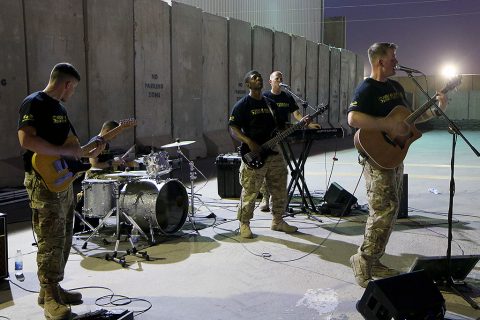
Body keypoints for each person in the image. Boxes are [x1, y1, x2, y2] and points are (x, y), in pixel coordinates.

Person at [347, 43, 448, 287]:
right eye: (393, 57)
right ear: (380, 61)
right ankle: (362, 260)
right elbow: (353, 118)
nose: (397, 61)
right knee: (381, 212)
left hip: (394, 154)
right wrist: (386, 125)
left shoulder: (395, 86)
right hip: (376, 156)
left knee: (390, 212)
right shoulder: (367, 88)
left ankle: (375, 260)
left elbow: (410, 119)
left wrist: (436, 110)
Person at [17, 62, 106, 319]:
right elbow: (26, 140)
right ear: (67, 84)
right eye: (73, 88)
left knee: (65, 237)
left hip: (62, 181)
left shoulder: (60, 109)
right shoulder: (34, 103)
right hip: (42, 183)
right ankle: (50, 300)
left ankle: (51, 289)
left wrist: (91, 150)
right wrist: (68, 151)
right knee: (50, 241)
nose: (72, 93)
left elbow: (73, 147)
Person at [229, 70, 312, 238]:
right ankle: (244, 223)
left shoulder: (270, 103)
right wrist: (248, 142)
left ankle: (278, 221)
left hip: (273, 151)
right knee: (250, 191)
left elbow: (281, 126)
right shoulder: (243, 105)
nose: (258, 78)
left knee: (280, 187)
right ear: (248, 84)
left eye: (259, 76)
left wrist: (300, 124)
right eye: (254, 77)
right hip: (254, 154)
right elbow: (233, 128)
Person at [258, 71, 321, 211]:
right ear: (270, 81)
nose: (279, 80)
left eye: (281, 78)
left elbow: (297, 114)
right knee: (266, 167)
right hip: (268, 136)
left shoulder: (287, 96)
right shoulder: (265, 97)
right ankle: (265, 198)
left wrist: (309, 124)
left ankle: (278, 198)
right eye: (277, 78)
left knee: (281, 167)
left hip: (284, 134)